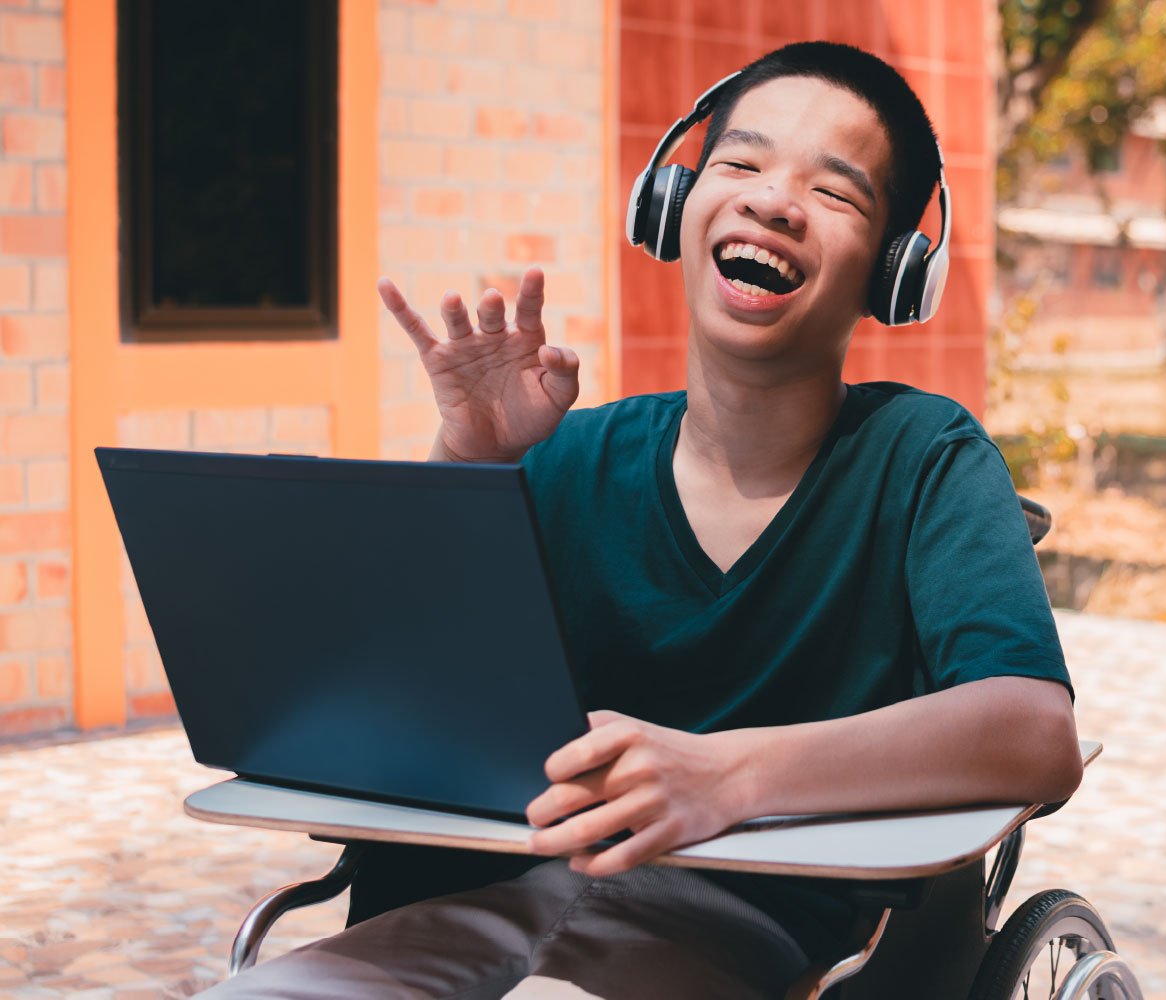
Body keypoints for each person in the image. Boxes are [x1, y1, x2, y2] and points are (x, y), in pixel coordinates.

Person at [204, 41, 1081, 1000]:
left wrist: (724, 776)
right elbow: (390, 698)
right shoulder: (566, 455)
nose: (772, 201)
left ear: (893, 274)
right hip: (467, 900)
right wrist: (471, 465)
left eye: (835, 193)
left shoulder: (922, 458)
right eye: (739, 164)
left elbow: (1033, 732)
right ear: (673, 205)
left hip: (744, 932)